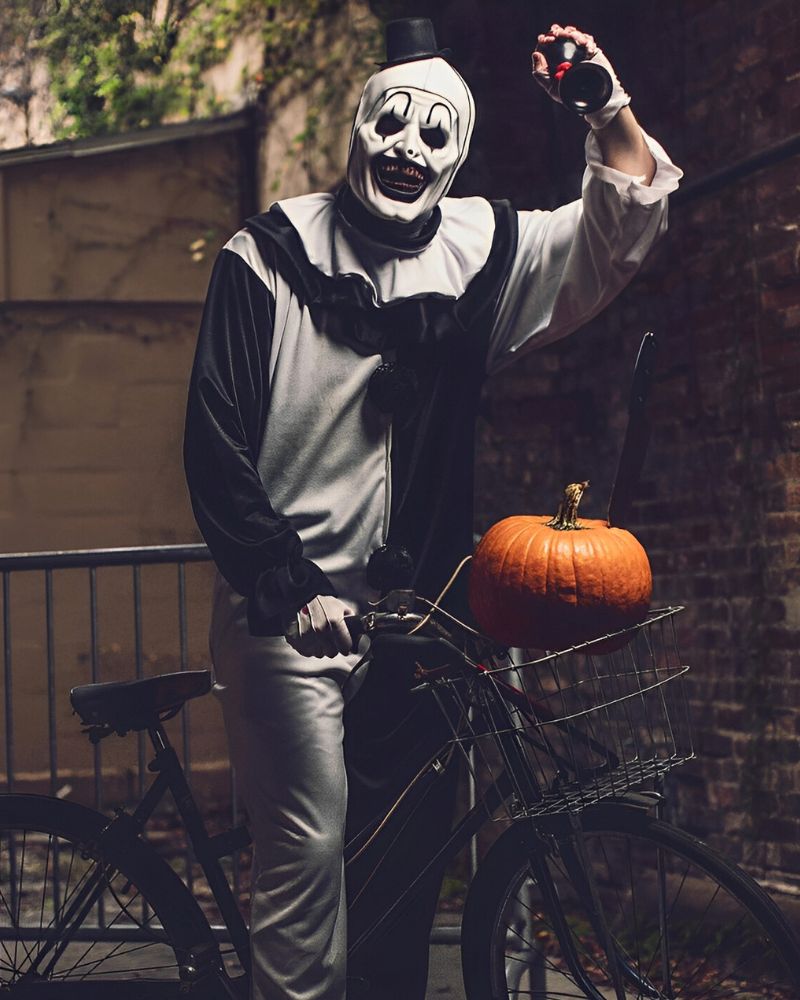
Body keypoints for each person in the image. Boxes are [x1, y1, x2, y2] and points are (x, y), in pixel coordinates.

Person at [183, 17, 682, 1000]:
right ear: (360, 124)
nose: (406, 147)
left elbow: (612, 234)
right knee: (303, 858)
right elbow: (214, 442)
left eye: (433, 133)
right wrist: (285, 586)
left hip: (417, 624)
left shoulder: (481, 249)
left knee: (404, 871)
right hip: (291, 616)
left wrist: (602, 103)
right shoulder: (264, 254)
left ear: (452, 157)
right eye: (392, 123)